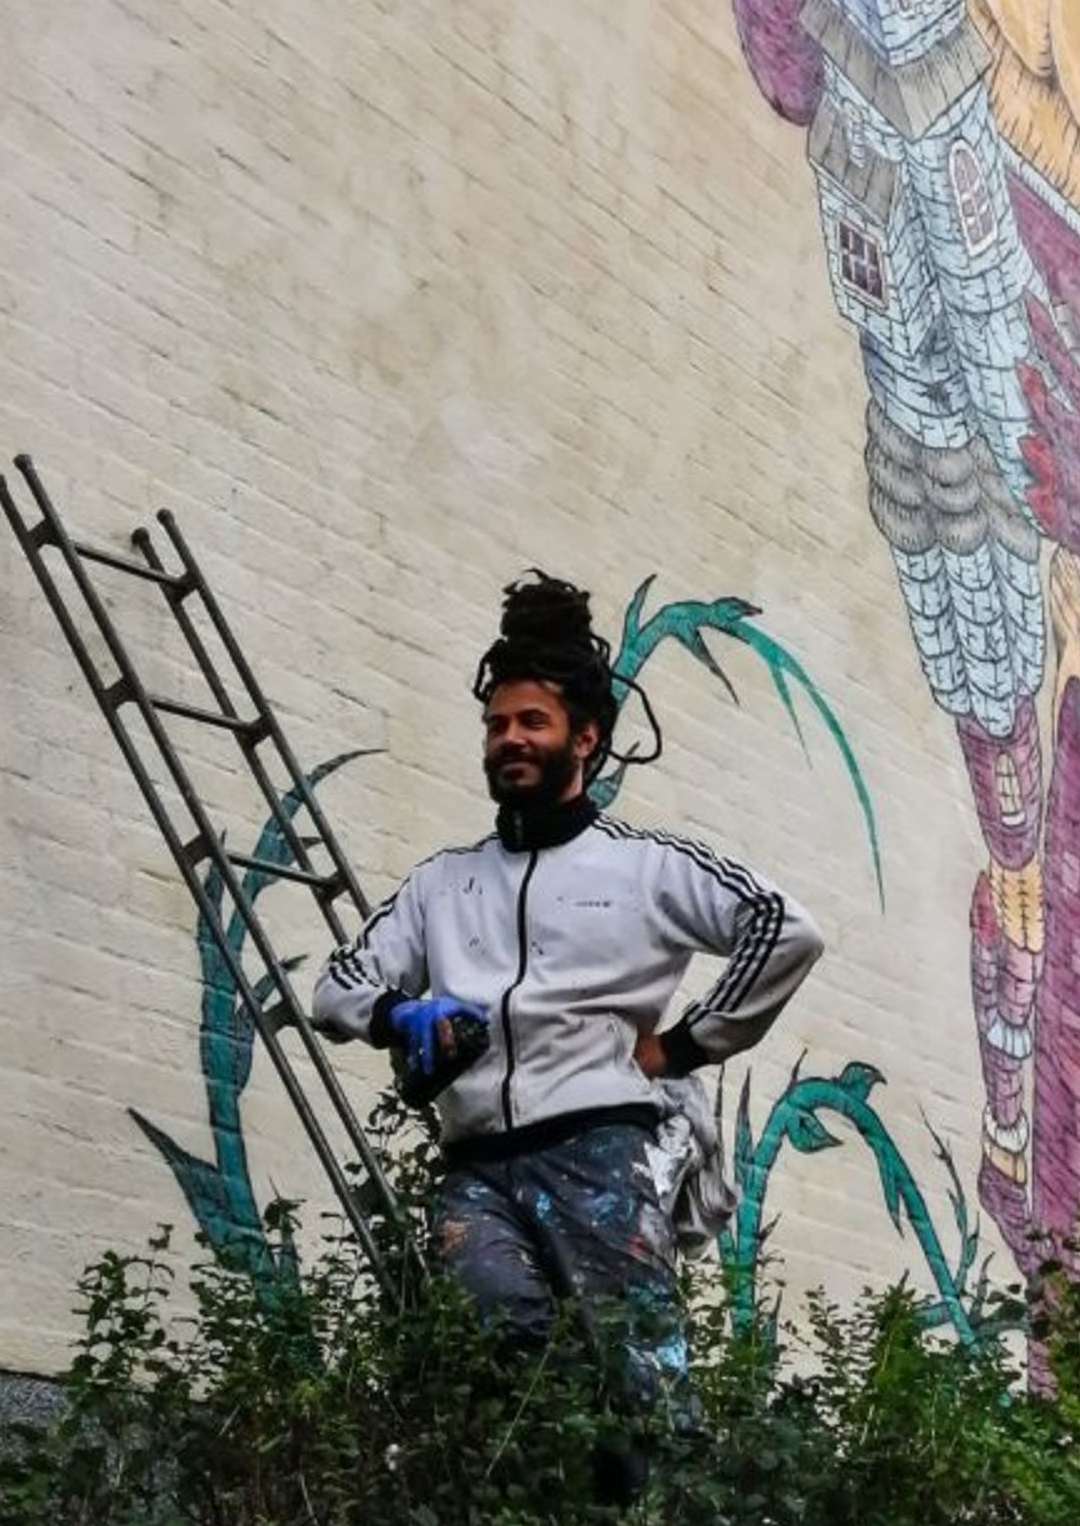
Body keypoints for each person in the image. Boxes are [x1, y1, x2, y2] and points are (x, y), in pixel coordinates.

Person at [311, 571, 824, 1410]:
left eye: (531, 723)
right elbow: (336, 988)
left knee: (641, 1387)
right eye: (495, 725)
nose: (509, 739)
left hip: (602, 1155)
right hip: (474, 1168)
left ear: (585, 739)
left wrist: (688, 1044)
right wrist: (398, 1012)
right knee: (500, 1367)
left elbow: (784, 926)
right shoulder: (444, 883)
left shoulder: (644, 865)